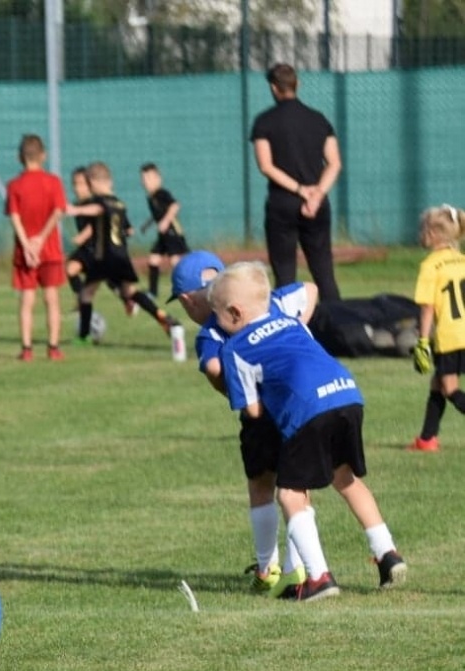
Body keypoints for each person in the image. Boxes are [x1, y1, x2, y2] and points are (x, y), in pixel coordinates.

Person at [210, 262, 404, 599]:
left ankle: (319, 577)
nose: (216, 323)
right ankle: (387, 553)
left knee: (289, 494)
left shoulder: (234, 348)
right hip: (347, 394)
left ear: (235, 313)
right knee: (345, 477)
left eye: (218, 315)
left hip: (308, 409)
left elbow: (253, 411)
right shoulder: (290, 321)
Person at [168, 250, 318, 595]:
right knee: (298, 488)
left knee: (261, 486)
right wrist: (297, 333)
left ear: (188, 300)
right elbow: (309, 289)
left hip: (258, 413)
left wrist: (232, 390)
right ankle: (298, 568)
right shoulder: (267, 302)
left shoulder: (212, 331)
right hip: (294, 405)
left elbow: (213, 367)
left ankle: (267, 569)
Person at [251, 63, 342, 301]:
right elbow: (334, 163)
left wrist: (300, 190)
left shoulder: (264, 122)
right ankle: (338, 321)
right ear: (297, 84)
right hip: (317, 205)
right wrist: (317, 194)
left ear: (273, 88)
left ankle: (286, 322)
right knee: (324, 272)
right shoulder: (318, 119)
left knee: (284, 276)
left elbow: (266, 166)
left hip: (282, 203)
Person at [71, 162, 174, 342]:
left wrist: (75, 209)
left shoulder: (98, 200)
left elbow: (98, 209)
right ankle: (161, 315)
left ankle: (83, 337)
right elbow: (128, 230)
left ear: (93, 183)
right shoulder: (119, 203)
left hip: (103, 257)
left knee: (86, 294)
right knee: (129, 291)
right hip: (121, 255)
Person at [405, 205, 465, 453]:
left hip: (449, 337)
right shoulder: (462, 260)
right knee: (437, 383)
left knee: (450, 388)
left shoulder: (430, 265)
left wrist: (422, 341)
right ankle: (427, 439)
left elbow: (428, 308)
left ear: (432, 233)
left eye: (423, 229)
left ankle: (427, 439)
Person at [5, 134, 68, 362]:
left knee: (27, 301)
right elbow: (58, 211)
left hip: (25, 254)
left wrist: (26, 245)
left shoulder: (14, 185)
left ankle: (27, 349)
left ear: (20, 157)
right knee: (52, 298)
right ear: (43, 155)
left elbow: (15, 217)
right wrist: (41, 239)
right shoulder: (53, 182)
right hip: (49, 250)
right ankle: (53, 348)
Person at [138, 163, 188, 298]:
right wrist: (147, 225)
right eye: (143, 179)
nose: (145, 182)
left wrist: (165, 221)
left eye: (149, 178)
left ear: (158, 179)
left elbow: (175, 205)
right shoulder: (151, 197)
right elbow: (157, 214)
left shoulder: (161, 193)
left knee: (175, 262)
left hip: (172, 232)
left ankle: (186, 288)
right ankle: (152, 292)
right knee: (153, 260)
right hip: (163, 235)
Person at [64, 167, 96, 302]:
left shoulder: (93, 203)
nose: (77, 188)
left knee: (113, 281)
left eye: (81, 184)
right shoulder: (78, 204)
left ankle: (131, 300)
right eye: (75, 184)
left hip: (99, 249)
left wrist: (83, 236)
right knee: (70, 269)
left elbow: (96, 223)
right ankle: (83, 301)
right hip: (86, 249)